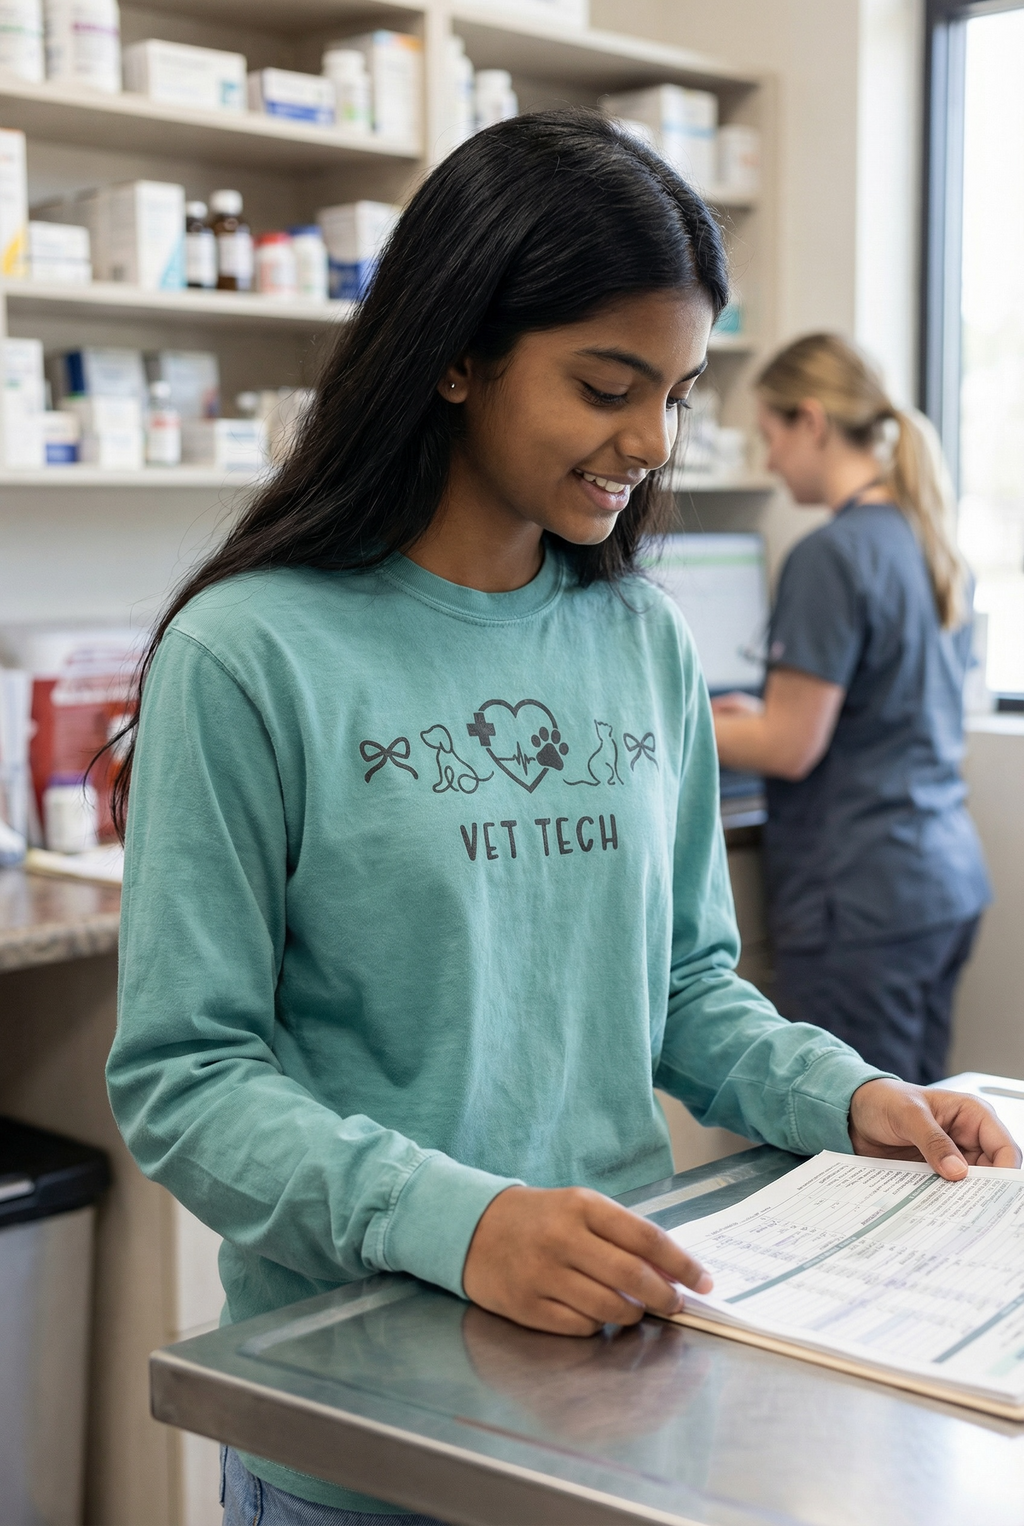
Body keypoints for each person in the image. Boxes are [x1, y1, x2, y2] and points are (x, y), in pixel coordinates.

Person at [104, 121, 1015, 1526]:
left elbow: (686, 986)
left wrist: (845, 1097)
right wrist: (461, 1224)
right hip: (361, 1419)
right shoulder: (249, 655)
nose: (651, 443)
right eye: (608, 384)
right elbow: (187, 1074)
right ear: (457, 354)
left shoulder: (640, 640)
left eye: (680, 391)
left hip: (618, 1385)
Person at [712, 333, 991, 1086]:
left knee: (869, 1153)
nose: (769, 462)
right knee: (927, 1134)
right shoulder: (923, 535)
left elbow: (791, 746)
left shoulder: (830, 555)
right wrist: (761, 709)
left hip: (860, 904)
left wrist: (670, 717)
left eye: (771, 437)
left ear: (812, 421)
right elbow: (882, 703)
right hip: (938, 882)